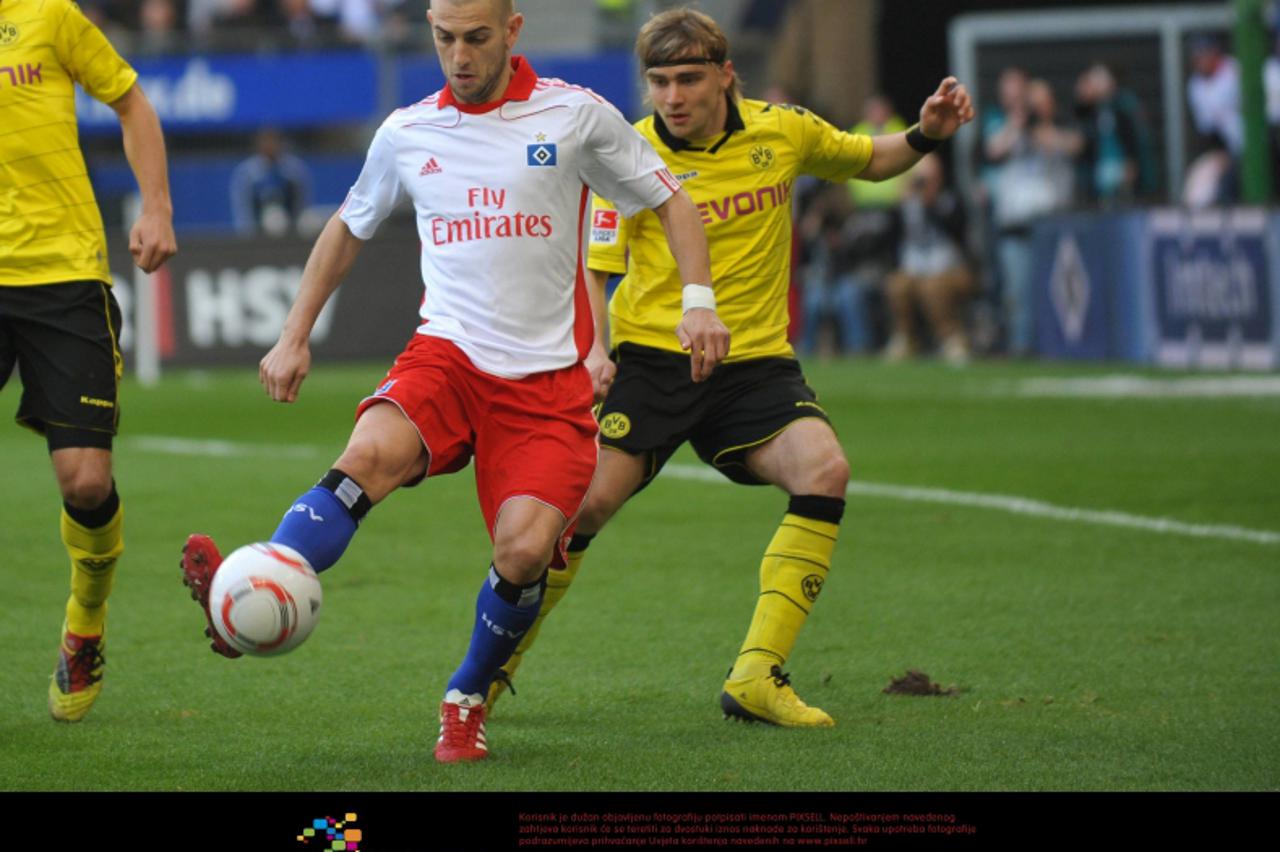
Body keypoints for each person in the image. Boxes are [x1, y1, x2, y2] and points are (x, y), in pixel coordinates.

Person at [178, 0, 723, 763]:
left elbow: (673, 202)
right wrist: (293, 334)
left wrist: (699, 304)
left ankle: (466, 697)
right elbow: (347, 225)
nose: (459, 55)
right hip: (449, 358)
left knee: (525, 553)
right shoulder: (407, 131)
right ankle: (250, 587)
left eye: (475, 38)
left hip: (545, 388)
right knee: (365, 456)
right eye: (443, 39)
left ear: (511, 30)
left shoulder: (575, 116)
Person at [488, 8, 973, 726]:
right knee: (577, 509)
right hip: (650, 364)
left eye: (688, 78)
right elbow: (594, 271)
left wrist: (927, 131)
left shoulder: (783, 130)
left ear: (726, 74)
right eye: (659, 82)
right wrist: (592, 352)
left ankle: (756, 677)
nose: (673, 96)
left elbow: (870, 159)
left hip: (754, 367)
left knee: (824, 471)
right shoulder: (625, 152)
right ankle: (492, 668)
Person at [0, 0, 177, 721]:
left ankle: (86, 620)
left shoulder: (47, 14)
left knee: (84, 480)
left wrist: (157, 207)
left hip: (62, 276)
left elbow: (131, 103)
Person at [883, 155, 975, 364]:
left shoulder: (949, 200)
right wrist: (898, 205)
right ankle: (906, 338)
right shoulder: (907, 204)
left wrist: (930, 204)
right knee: (897, 285)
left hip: (951, 267)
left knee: (932, 287)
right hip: (916, 267)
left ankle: (951, 338)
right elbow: (890, 238)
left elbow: (957, 232)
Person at [229, 128, 314, 236]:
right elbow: (243, 208)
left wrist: (296, 226)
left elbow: (302, 203)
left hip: (292, 223)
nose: (270, 146)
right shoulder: (248, 173)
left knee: (310, 221)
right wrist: (248, 235)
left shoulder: (294, 170)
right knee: (274, 219)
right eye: (266, 141)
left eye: (274, 141)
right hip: (260, 225)